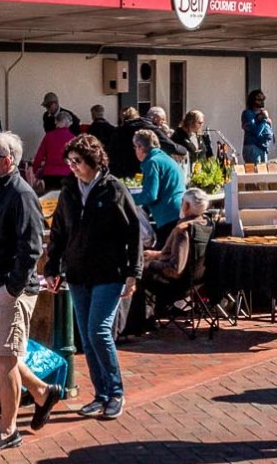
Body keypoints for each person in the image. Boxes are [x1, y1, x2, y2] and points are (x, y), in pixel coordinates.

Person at [0, 131, 65, 451]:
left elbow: (32, 247)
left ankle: (8, 430)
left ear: (8, 161)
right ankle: (42, 391)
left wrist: (13, 288)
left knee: (5, 358)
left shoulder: (21, 194)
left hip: (8, 288)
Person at [41, 133, 141, 419]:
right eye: (69, 161)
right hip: (77, 273)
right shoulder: (69, 190)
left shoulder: (114, 189)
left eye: (77, 161)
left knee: (99, 331)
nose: (72, 166)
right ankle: (101, 394)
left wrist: (133, 273)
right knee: (86, 337)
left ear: (93, 160)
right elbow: (59, 231)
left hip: (109, 272)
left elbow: (132, 232)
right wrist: (52, 267)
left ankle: (116, 392)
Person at [130, 186, 211, 335]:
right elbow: (180, 255)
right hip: (198, 280)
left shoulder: (183, 230)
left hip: (178, 284)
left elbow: (175, 269)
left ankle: (140, 322)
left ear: (186, 206)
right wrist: (155, 254)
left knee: (137, 273)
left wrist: (151, 264)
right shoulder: (204, 223)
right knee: (143, 264)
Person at [130, 128, 185, 239]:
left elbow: (150, 195)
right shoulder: (167, 158)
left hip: (167, 215)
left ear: (140, 147)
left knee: (166, 249)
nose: (135, 151)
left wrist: (128, 198)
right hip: (180, 210)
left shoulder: (152, 162)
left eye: (135, 147)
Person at [30, 110, 79, 194]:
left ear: (56, 121)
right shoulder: (73, 139)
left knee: (50, 200)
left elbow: (39, 156)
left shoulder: (49, 136)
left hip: (50, 174)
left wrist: (35, 170)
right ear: (68, 123)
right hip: (68, 173)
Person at [241, 89, 275, 165]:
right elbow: (255, 132)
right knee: (255, 171)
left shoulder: (262, 113)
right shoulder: (248, 114)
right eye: (259, 99)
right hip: (253, 147)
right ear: (252, 100)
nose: (262, 101)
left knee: (263, 171)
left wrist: (269, 124)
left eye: (263, 99)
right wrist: (263, 120)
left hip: (263, 148)